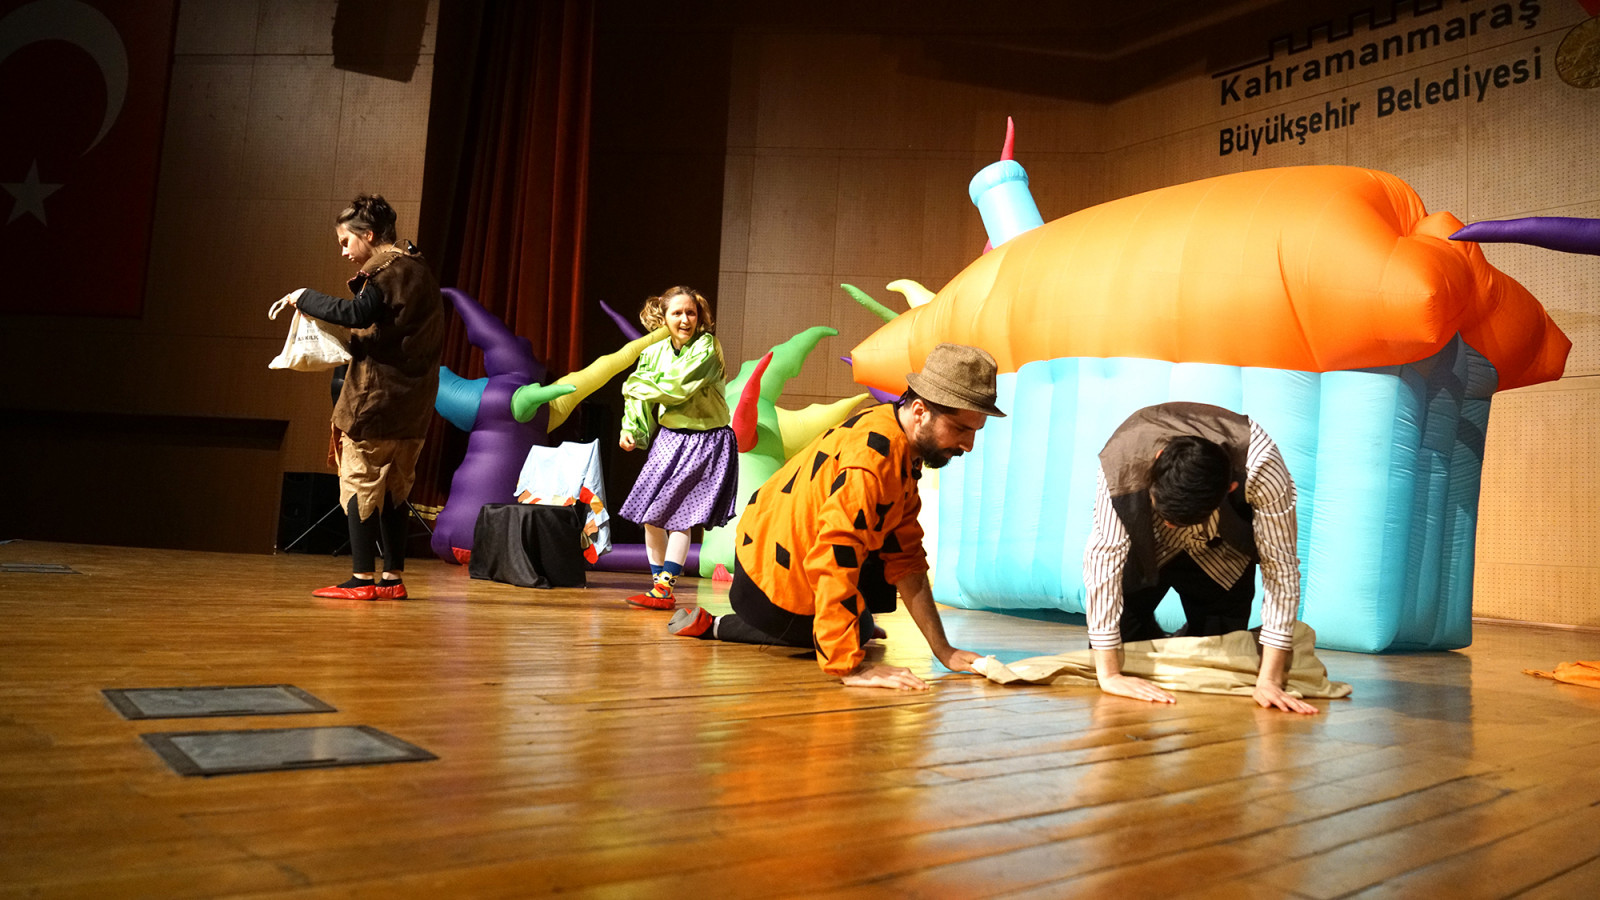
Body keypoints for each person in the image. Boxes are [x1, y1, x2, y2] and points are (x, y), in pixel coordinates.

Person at [669, 343, 1002, 691]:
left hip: (776, 554)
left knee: (867, 609)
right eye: (961, 429)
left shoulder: (896, 436)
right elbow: (834, 555)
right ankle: (717, 625)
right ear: (920, 411)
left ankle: (839, 623)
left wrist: (944, 650)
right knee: (859, 630)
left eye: (974, 431)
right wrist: (850, 666)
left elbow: (907, 558)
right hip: (765, 579)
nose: (969, 445)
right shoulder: (872, 459)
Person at [1082, 401, 1318, 714]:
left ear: (1230, 488)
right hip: (1145, 551)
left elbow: (1281, 568)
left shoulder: (1262, 466)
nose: (1171, 526)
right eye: (1165, 515)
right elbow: (1103, 560)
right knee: (1119, 654)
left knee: (1217, 663)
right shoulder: (1123, 458)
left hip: (1221, 555)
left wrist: (1270, 680)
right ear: (1157, 461)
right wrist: (1110, 675)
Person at [270, 194, 444, 601]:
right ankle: (392, 578)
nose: (344, 251)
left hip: (376, 401)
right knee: (397, 489)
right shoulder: (419, 268)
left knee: (360, 482)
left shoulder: (384, 270)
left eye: (346, 241)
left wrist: (304, 296)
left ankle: (362, 579)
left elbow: (357, 314)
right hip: (414, 406)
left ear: (368, 235)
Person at [615, 286, 740, 608]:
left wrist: (635, 384)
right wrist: (632, 429)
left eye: (691, 313)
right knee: (650, 516)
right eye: (678, 313)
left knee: (679, 516)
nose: (685, 319)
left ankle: (664, 589)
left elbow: (677, 387)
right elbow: (638, 398)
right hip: (669, 438)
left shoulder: (707, 347)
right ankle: (660, 587)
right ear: (664, 317)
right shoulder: (654, 352)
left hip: (705, 439)